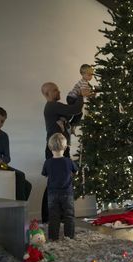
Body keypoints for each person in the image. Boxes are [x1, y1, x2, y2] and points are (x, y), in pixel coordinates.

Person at [41, 81, 90, 223]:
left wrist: (73, 114)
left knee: (62, 183)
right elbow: (73, 109)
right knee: (54, 183)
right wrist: (80, 95)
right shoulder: (52, 106)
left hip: (63, 148)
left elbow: (73, 116)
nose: (59, 91)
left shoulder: (56, 109)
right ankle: (47, 216)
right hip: (54, 149)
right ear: (47, 94)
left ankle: (59, 216)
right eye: (55, 90)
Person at [42, 133, 78, 240]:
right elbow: (75, 171)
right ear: (66, 147)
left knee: (53, 216)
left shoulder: (47, 163)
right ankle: (69, 236)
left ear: (49, 147)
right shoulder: (68, 161)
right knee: (69, 216)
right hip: (67, 193)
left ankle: (53, 237)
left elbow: (45, 175)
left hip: (52, 194)